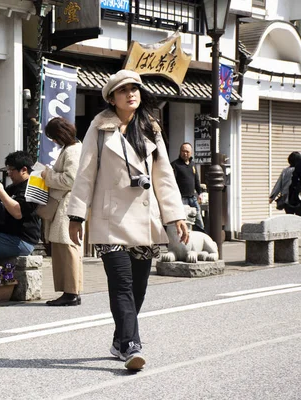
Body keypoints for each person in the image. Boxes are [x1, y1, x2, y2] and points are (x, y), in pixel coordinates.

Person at [66, 69, 188, 371]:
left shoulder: (150, 127)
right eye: (123, 90)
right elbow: (85, 173)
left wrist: (175, 216)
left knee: (139, 288)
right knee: (121, 284)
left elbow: (163, 176)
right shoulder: (99, 126)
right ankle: (132, 345)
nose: (130, 93)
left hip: (145, 219)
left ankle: (121, 338)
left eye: (135, 88)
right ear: (111, 97)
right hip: (110, 220)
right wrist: (76, 215)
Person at [40, 117, 83, 307]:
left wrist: (48, 175)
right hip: (68, 203)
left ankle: (71, 292)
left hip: (67, 204)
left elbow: (70, 179)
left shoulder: (72, 150)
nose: (53, 141)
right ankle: (71, 291)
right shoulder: (73, 149)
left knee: (67, 248)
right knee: (66, 248)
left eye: (53, 137)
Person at [0, 151, 41, 261]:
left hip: (21, 240)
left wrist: (0, 191)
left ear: (24, 170)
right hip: (5, 235)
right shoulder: (14, 186)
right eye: (8, 169)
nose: (9, 173)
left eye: (12, 170)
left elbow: (18, 213)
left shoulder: (33, 187)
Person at [171, 142, 205, 231]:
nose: (185, 153)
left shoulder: (192, 164)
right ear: (180, 152)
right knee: (185, 221)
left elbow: (196, 180)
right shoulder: (175, 164)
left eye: (187, 151)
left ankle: (201, 237)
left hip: (192, 197)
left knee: (198, 219)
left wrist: (200, 193)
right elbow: (172, 182)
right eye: (183, 151)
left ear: (191, 153)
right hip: (181, 198)